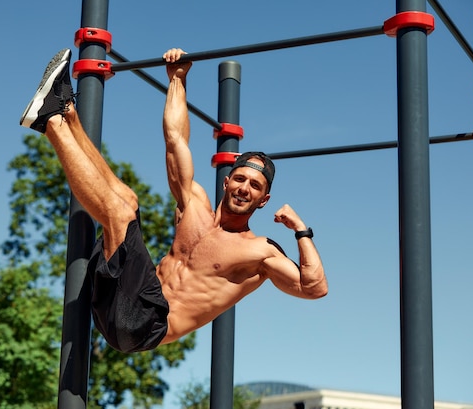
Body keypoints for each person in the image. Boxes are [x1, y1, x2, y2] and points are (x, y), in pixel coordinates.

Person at [20, 48, 328, 353]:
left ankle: (51, 123)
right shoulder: (193, 206)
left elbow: (314, 288)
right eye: (240, 178)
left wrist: (300, 230)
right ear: (226, 182)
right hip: (116, 300)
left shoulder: (260, 251)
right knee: (126, 198)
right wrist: (178, 80)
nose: (245, 188)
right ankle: (68, 114)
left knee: (120, 212)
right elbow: (175, 140)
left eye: (255, 186)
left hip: (147, 325)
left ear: (264, 200)